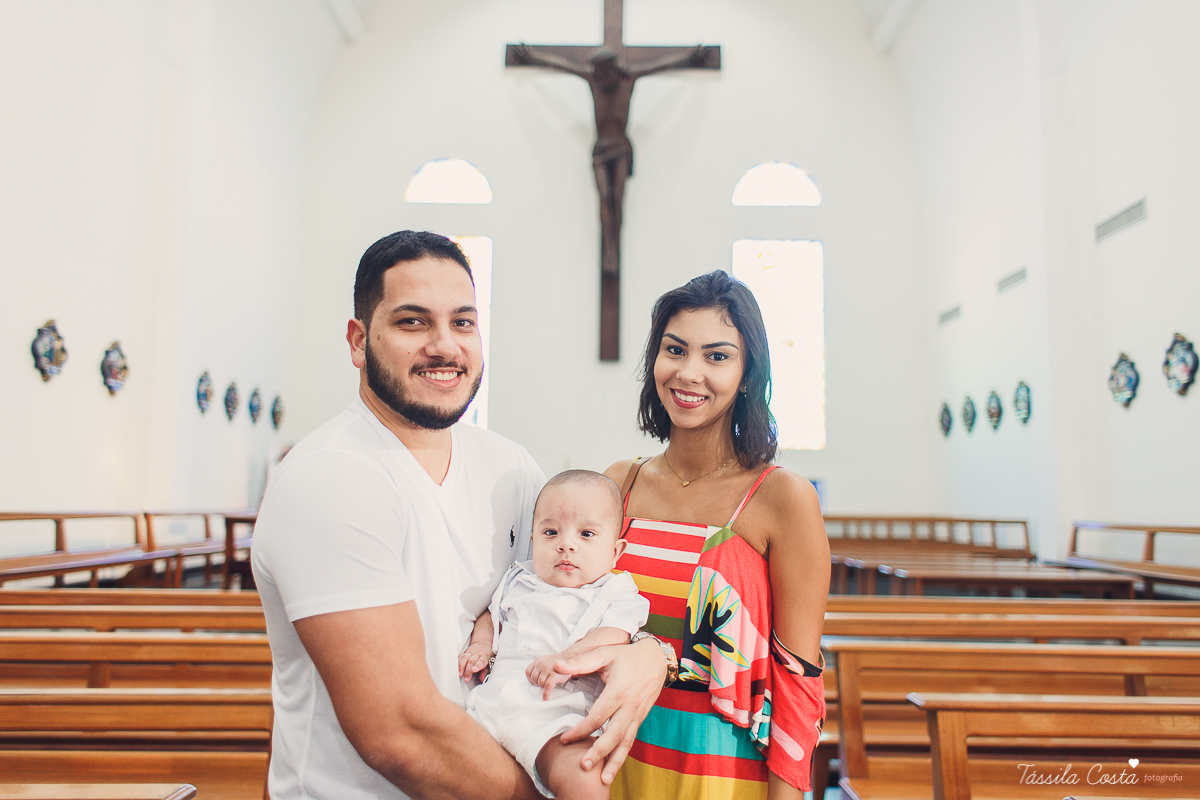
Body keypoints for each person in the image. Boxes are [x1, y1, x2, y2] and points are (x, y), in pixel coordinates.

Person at [250, 230, 670, 800]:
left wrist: (651, 653)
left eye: (463, 322)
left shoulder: (510, 468)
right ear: (358, 341)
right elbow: (401, 733)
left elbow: (572, 595)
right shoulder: (330, 477)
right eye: (413, 322)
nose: (445, 345)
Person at [604, 270, 830, 800]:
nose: (689, 373)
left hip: (719, 774)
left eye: (717, 356)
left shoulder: (782, 498)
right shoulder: (618, 484)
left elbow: (797, 683)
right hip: (612, 761)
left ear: (748, 373)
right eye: (675, 350)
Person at [459, 470, 650, 799]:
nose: (566, 544)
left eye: (586, 534)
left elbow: (614, 635)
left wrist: (566, 659)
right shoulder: (519, 578)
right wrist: (480, 645)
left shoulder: (615, 591)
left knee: (587, 777)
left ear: (616, 551)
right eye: (551, 532)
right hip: (489, 707)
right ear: (533, 540)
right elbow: (490, 615)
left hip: (556, 719)